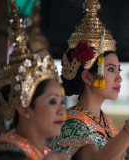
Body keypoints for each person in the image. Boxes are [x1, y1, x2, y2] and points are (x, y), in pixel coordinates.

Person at [53, 0, 129, 159]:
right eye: (110, 69)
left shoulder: (106, 123)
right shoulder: (71, 123)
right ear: (87, 76)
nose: (119, 78)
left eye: (118, 70)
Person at [0, 1, 67, 160]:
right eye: (52, 102)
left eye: (61, 102)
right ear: (23, 108)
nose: (62, 111)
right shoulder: (7, 152)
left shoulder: (47, 153)